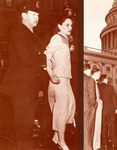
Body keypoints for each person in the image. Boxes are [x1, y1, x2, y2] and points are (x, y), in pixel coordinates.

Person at [0, 1, 47, 150]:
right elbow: (29, 58)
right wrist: (48, 57)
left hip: (26, 89)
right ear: (23, 15)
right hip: (22, 89)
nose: (37, 18)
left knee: (25, 129)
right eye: (34, 14)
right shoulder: (20, 32)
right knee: (23, 130)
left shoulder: (30, 33)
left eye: (38, 15)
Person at [44, 7, 76, 150]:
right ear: (59, 26)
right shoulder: (56, 38)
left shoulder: (65, 40)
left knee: (69, 106)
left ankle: (56, 137)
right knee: (62, 110)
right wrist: (51, 74)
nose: (70, 27)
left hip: (65, 79)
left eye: (71, 25)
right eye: (67, 25)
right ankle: (62, 142)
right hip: (58, 79)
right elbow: (46, 55)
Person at [98, 74, 117, 149]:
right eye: (107, 79)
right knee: (112, 127)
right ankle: (113, 143)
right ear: (105, 79)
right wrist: (116, 108)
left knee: (103, 127)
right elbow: (114, 98)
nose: (108, 80)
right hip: (110, 111)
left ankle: (104, 144)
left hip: (102, 111)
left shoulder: (98, 86)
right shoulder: (110, 87)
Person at [83, 64, 98, 150]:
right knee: (88, 131)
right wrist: (95, 105)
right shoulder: (90, 80)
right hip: (88, 109)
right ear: (88, 70)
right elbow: (92, 98)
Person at [91, 67, 103, 150]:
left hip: (97, 105)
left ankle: (96, 144)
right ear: (95, 73)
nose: (100, 75)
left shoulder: (94, 82)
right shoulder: (92, 81)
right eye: (99, 74)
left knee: (97, 125)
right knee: (95, 125)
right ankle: (94, 145)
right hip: (96, 106)